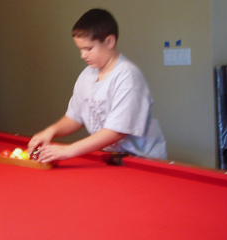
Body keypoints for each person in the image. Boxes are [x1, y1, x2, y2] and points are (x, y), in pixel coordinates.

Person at [28, 8, 167, 162]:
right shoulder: (87, 74)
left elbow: (117, 131)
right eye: (80, 49)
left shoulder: (128, 75)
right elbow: (75, 117)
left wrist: (68, 150)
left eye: (88, 48)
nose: (83, 55)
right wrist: (51, 131)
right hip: (110, 157)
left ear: (109, 41)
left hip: (140, 160)